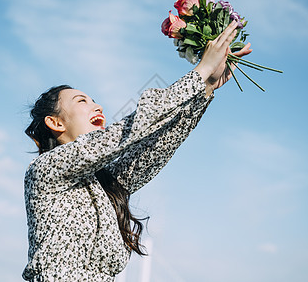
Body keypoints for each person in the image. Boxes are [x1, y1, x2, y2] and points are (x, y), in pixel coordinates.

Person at [22, 21, 252, 281]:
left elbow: (157, 148)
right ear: (55, 123)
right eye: (82, 101)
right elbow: (133, 128)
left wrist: (207, 87)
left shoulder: (104, 183)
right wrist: (199, 73)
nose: (96, 106)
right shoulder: (45, 171)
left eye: (96, 100)